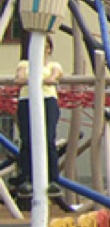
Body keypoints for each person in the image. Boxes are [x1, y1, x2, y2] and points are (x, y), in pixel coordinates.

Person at [13, 35, 64, 198]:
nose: (43, 48)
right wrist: (37, 80)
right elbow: (20, 79)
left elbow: (53, 77)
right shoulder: (24, 64)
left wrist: (36, 80)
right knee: (27, 140)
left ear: (49, 48)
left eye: (46, 46)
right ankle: (26, 179)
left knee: (48, 140)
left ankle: (53, 180)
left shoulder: (53, 65)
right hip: (26, 100)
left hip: (47, 99)